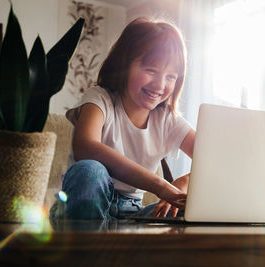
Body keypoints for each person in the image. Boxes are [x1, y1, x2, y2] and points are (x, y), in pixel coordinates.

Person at [50, 17, 196, 220]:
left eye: (171, 76)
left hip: (133, 213)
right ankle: (84, 248)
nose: (160, 85)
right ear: (124, 65)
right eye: (151, 71)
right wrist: (161, 186)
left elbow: (213, 160)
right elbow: (85, 147)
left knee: (187, 209)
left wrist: (183, 182)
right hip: (81, 205)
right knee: (89, 170)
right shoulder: (99, 98)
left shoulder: (167, 119)